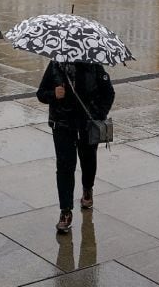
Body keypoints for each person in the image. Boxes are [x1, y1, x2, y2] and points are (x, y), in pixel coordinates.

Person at [37, 59, 115, 234]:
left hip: (87, 125)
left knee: (88, 160)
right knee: (65, 166)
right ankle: (66, 211)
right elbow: (41, 93)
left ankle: (87, 188)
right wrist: (53, 94)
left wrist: (97, 114)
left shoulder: (94, 66)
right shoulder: (56, 65)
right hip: (62, 124)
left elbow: (109, 93)